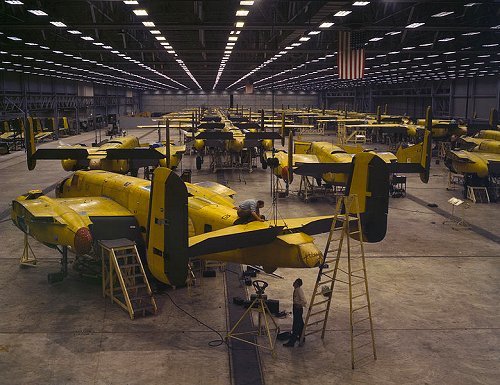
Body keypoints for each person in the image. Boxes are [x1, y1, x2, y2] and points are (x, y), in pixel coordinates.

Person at [283, 278, 307, 347]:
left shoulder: (298, 290)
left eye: (295, 282)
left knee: (296, 325)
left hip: (298, 308)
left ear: (298, 284)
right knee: (300, 323)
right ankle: (302, 337)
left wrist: (299, 305)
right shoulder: (296, 290)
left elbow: (304, 301)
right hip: (296, 307)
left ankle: (292, 342)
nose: (293, 283)